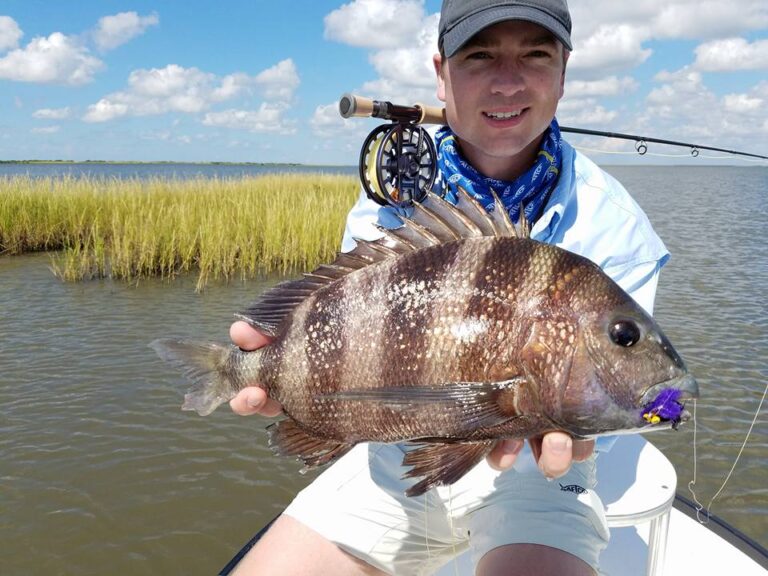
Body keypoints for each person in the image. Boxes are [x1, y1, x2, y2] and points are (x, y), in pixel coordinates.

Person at [227, 1, 669, 574]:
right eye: (480, 55)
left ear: (563, 73)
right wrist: (294, 383)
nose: (507, 81)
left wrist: (585, 425)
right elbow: (355, 341)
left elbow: (631, 403)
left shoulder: (618, 229)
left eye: (535, 54)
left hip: (539, 475)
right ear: (442, 72)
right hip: (387, 457)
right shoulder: (388, 201)